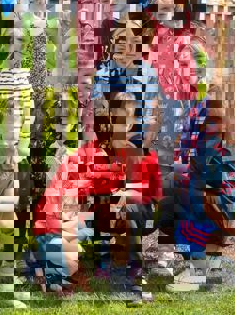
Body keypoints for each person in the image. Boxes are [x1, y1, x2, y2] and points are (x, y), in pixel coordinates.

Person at [28, 93, 161, 300]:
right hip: (59, 222)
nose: (123, 126)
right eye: (118, 119)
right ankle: (39, 263)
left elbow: (146, 193)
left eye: (129, 119)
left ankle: (126, 278)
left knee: (129, 210)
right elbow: (64, 198)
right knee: (63, 276)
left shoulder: (134, 154)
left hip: (89, 220)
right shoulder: (92, 155)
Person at [165, 78, 235, 292]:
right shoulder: (228, 137)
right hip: (221, 205)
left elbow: (211, 178)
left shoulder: (213, 132)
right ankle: (209, 260)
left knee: (174, 200)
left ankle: (197, 268)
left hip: (214, 203)